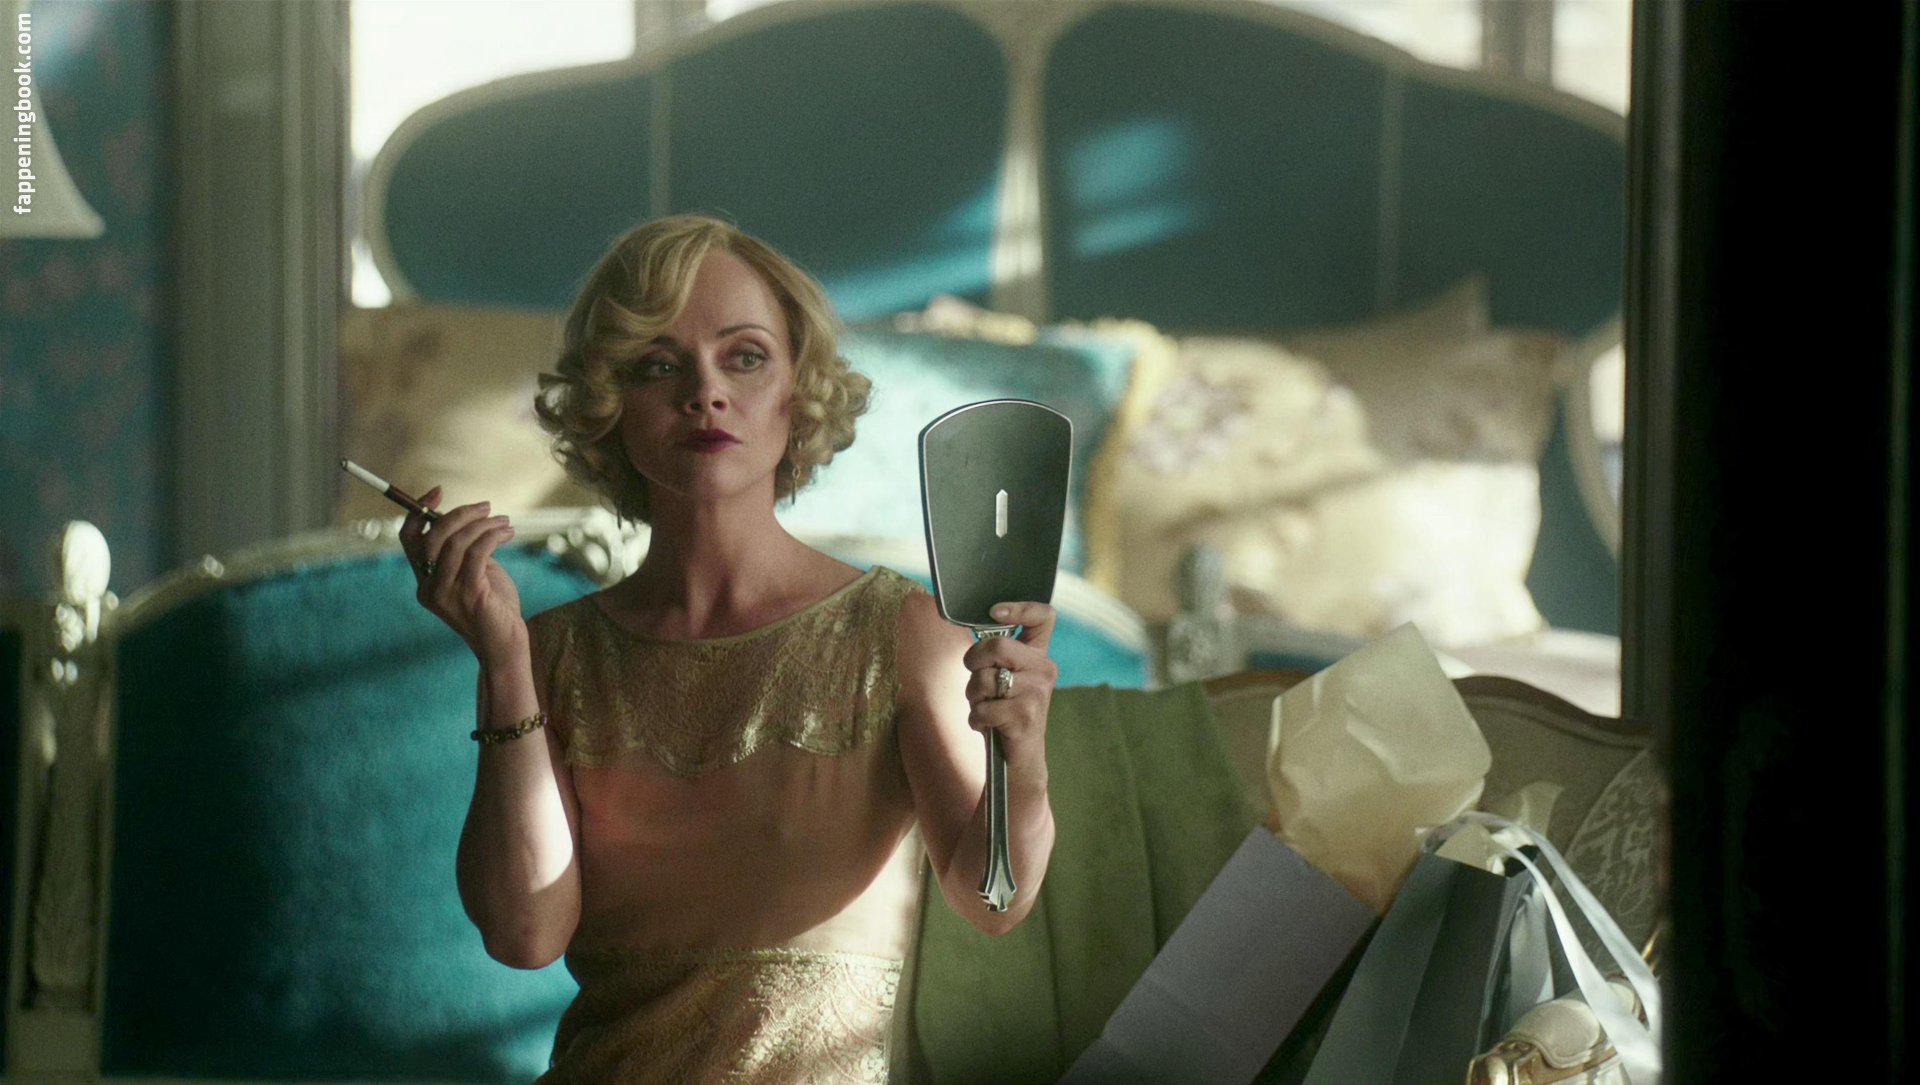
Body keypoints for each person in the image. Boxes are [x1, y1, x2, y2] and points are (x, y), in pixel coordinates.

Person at [396, 215, 1059, 1083]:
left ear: (799, 390)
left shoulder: (899, 633)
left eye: (744, 357)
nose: (705, 392)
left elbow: (995, 899)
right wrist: (503, 662)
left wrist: (1024, 758)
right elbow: (525, 935)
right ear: (610, 403)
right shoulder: (552, 652)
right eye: (657, 365)